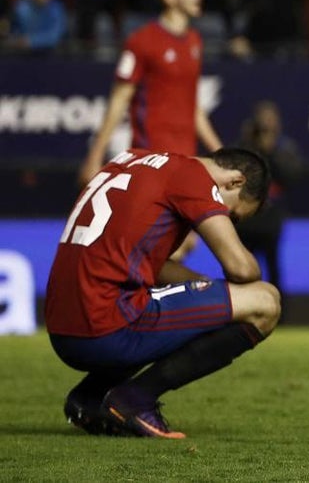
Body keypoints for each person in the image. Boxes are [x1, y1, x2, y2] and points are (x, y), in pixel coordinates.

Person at [46, 146, 277, 439]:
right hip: (106, 326)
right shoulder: (192, 177)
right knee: (266, 301)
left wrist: (206, 295)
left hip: (63, 328)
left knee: (215, 306)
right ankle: (133, 401)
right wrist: (228, 296)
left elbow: (149, 267)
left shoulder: (131, 158)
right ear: (235, 182)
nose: (226, 219)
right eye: (233, 215)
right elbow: (242, 269)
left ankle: (91, 396)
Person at [79, 0, 224, 186]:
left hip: (187, 159)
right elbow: (119, 100)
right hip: (151, 158)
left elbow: (193, 106)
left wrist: (220, 153)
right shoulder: (142, 41)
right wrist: (95, 156)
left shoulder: (195, 41)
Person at [237, 101, 300, 291]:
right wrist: (251, 144)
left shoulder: (285, 148)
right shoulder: (244, 147)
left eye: (270, 121)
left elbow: (290, 177)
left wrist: (270, 152)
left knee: (274, 270)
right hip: (246, 221)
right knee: (241, 270)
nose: (266, 126)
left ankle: (280, 315)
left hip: (271, 222)